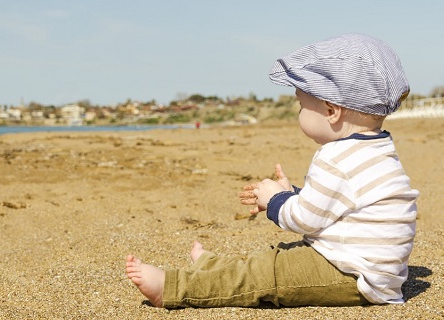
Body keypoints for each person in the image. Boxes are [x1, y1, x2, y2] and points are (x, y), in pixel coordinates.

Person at [125, 33, 419, 308]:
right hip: (373, 271)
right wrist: (293, 194)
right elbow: (338, 206)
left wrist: (275, 202)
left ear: (331, 111)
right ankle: (213, 266)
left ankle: (174, 288)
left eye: (302, 105)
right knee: (277, 256)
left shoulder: (335, 157)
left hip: (352, 275)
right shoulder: (378, 149)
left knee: (266, 273)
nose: (299, 112)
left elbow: (305, 220)